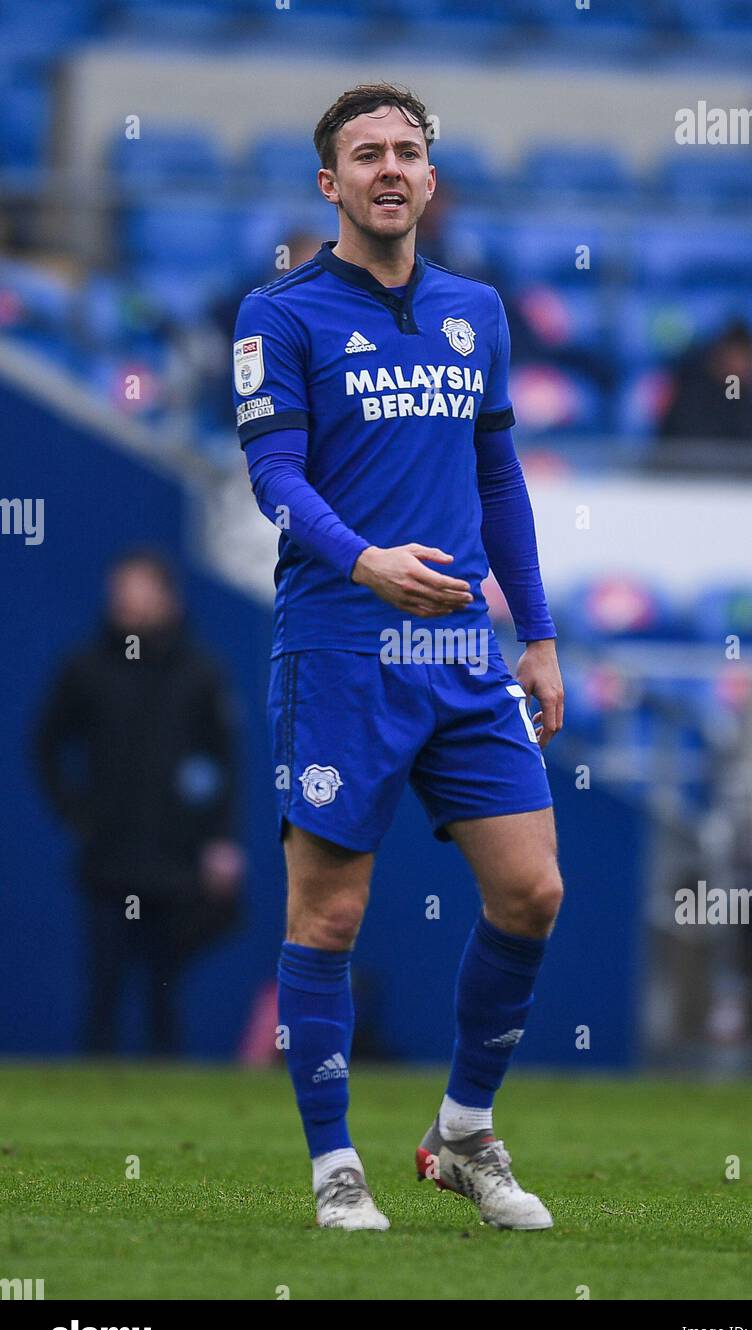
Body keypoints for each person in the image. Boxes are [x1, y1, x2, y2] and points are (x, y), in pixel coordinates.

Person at [232, 83, 564, 1232]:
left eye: (406, 152)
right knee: (328, 918)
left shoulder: (477, 310)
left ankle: (462, 1132)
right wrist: (366, 561)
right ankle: (335, 1165)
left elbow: (499, 479)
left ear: (429, 178)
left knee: (533, 890)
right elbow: (275, 478)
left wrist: (542, 634)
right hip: (340, 647)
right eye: (364, 153)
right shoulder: (278, 314)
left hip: (467, 653)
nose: (388, 168)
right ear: (330, 183)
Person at [34, 549, 244, 1056]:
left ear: (168, 599)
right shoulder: (84, 669)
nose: (129, 601)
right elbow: (44, 745)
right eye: (121, 589)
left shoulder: (200, 673)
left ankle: (165, 1098)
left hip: (175, 862)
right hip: (108, 859)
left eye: (141, 588)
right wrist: (76, 813)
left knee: (163, 990)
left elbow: (226, 763)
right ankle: (92, 1094)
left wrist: (220, 842)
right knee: (103, 986)